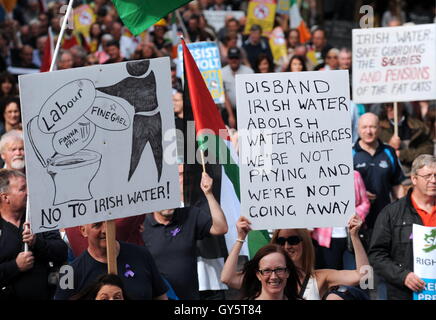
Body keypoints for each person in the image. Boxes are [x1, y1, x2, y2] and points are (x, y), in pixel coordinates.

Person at [221, 214, 369, 299]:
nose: (286, 246)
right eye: (281, 241)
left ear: (304, 243)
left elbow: (363, 276)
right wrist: (241, 238)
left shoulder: (319, 277)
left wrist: (354, 236)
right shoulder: (267, 277)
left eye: (293, 240)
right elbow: (227, 278)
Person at [142, 171, 228, 300]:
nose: (168, 200)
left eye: (171, 194)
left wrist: (209, 194)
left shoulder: (190, 215)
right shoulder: (141, 225)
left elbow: (221, 228)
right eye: (163, 195)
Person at [369, 154, 436, 300]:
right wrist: (403, 276)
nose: (434, 180)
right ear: (414, 179)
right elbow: (377, 255)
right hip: (403, 293)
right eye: (428, 176)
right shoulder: (392, 213)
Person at [55, 220, 168, 300]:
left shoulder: (142, 255)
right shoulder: (68, 273)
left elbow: (160, 296)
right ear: (83, 230)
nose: (105, 230)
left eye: (109, 222)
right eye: (97, 225)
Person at [0, 169, 68, 299]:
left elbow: (62, 251)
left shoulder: (40, 217)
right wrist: (15, 266)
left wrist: (37, 242)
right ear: (5, 197)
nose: (28, 193)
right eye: (22, 189)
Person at [353, 112, 406, 239]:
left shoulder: (388, 151)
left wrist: (403, 210)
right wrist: (360, 195)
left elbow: (397, 185)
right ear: (358, 129)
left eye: (373, 127)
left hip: (385, 217)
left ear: (380, 129)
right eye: (364, 127)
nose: (369, 131)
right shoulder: (350, 153)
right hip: (358, 221)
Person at [312, 170, 370, 270]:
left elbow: (365, 202)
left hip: (352, 236)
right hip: (326, 239)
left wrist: (353, 215)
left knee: (354, 276)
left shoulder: (354, 175)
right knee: (330, 276)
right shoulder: (317, 176)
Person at [378, 102, 434, 175]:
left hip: (413, 175)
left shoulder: (419, 127)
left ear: (401, 105)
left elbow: (427, 152)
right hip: (390, 176)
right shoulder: (378, 129)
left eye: (392, 105)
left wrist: (401, 154)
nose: (388, 108)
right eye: (385, 105)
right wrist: (389, 147)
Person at [221, 47, 254, 128]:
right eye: (231, 58)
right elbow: (224, 94)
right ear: (227, 59)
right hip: (228, 110)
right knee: (226, 136)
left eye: (236, 57)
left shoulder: (249, 72)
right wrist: (231, 115)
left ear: (240, 59)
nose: (234, 60)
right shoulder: (221, 73)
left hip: (246, 111)